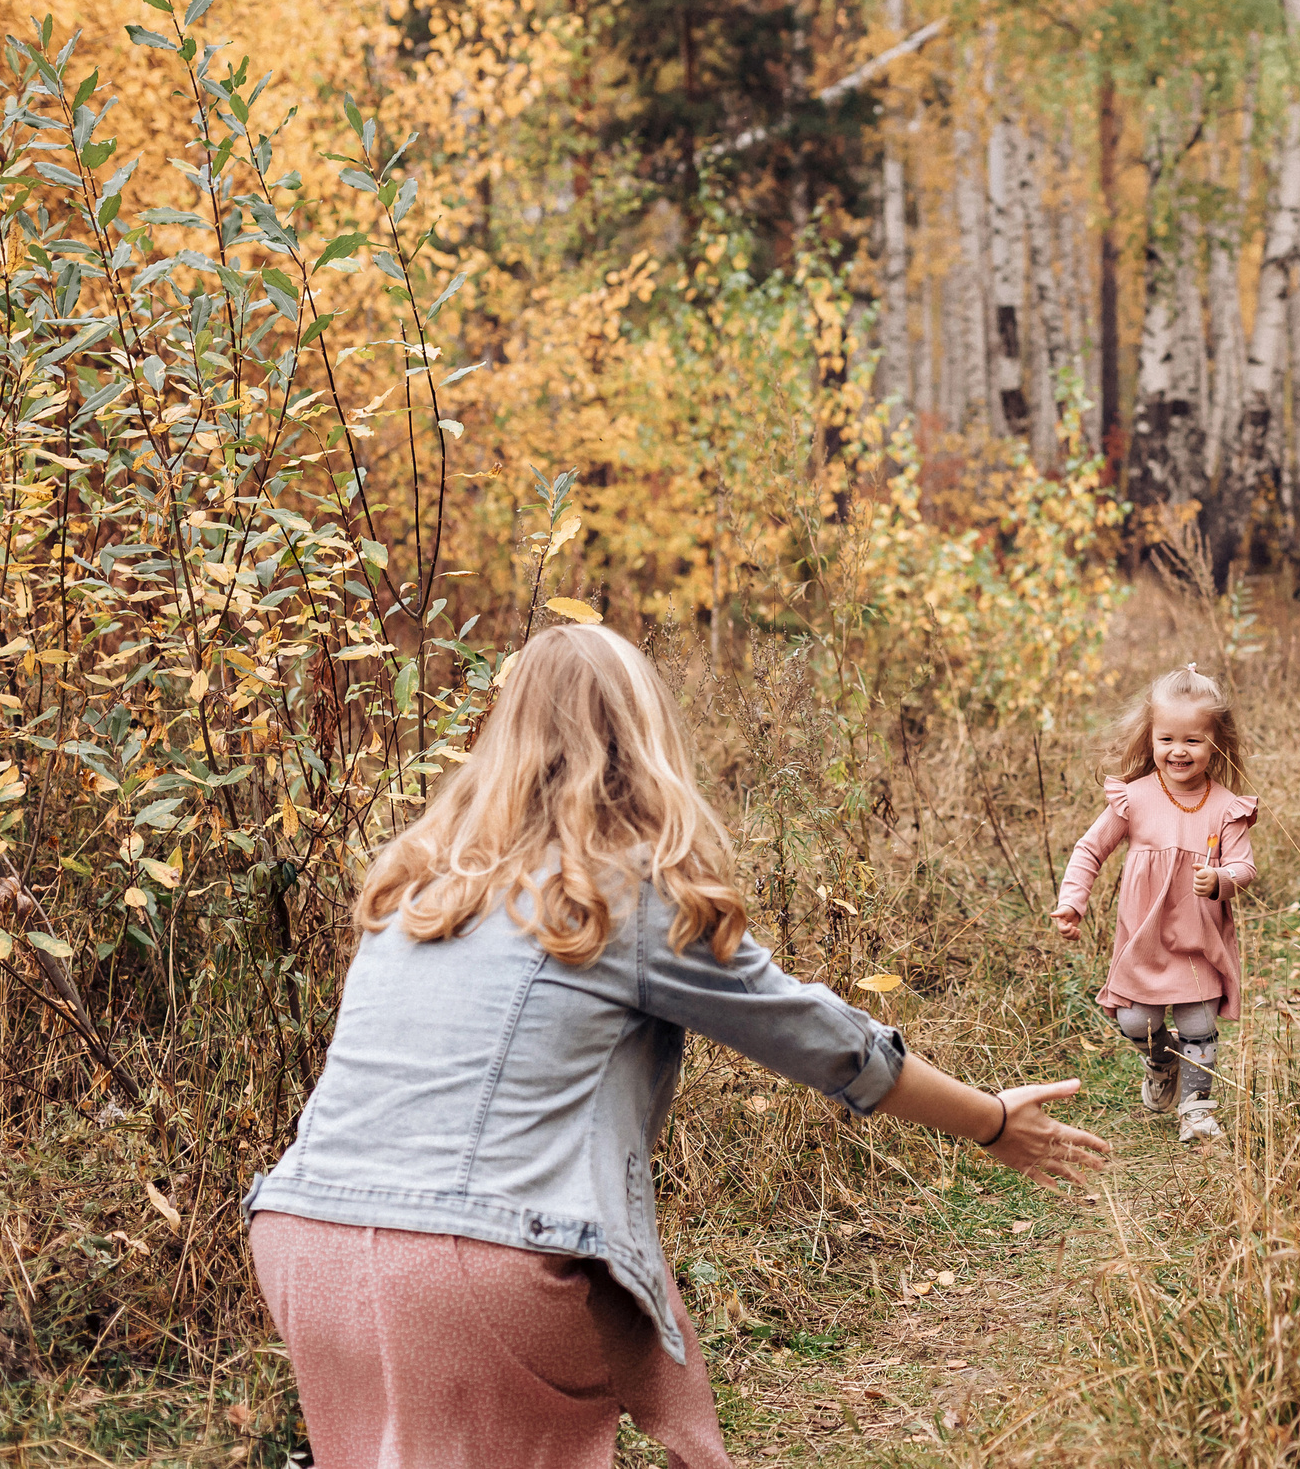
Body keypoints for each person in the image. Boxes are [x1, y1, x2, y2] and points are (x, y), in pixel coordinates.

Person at [244, 623, 1106, 1469]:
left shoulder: (417, 882)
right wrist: (991, 1121)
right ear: (642, 738)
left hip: (304, 1246)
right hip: (465, 1265)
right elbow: (823, 1041)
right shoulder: (622, 893)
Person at [1049, 664, 1257, 1144]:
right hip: (1143, 938)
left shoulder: (1227, 807)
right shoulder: (1135, 798)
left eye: (1193, 741)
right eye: (1166, 740)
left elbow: (1244, 869)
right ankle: (1162, 1062)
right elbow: (1090, 849)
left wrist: (1221, 878)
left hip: (1199, 938)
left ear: (1216, 743)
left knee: (1199, 1023)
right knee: (1135, 1021)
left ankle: (1197, 1109)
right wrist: (1072, 902)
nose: (1178, 751)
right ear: (1151, 739)